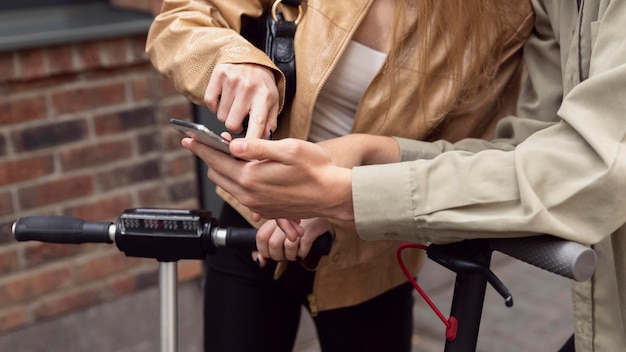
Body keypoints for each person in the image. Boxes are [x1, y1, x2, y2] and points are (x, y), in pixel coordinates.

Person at [180, 0, 626, 351]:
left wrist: (351, 190)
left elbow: (571, 161)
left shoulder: (516, 10)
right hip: (260, 223)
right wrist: (235, 57)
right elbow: (182, 17)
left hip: (375, 245)